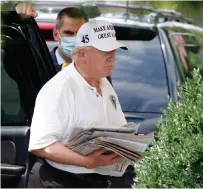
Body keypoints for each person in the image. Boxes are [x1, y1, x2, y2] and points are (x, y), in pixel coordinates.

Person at [28, 20, 134, 188]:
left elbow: (119, 130)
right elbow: (41, 145)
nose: (112, 58)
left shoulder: (105, 85)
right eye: (105, 52)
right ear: (83, 54)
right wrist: (86, 161)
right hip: (61, 181)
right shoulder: (59, 89)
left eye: (114, 51)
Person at [15, 3, 112, 83]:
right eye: (68, 33)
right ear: (56, 34)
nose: (75, 39)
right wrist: (18, 16)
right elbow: (13, 67)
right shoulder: (39, 66)